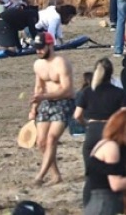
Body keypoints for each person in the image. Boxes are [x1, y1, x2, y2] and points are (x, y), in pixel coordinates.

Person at [75, 60, 126, 202]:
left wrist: (86, 125)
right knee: (114, 172)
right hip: (110, 131)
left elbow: (77, 115)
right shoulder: (119, 93)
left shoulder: (87, 91)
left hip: (92, 131)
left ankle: (89, 206)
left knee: (91, 175)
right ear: (111, 74)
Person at [28, 32, 75, 185]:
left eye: (41, 48)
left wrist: (43, 97)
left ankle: (39, 176)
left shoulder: (61, 63)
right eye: (37, 48)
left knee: (51, 138)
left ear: (50, 45)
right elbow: (39, 88)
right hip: (47, 102)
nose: (38, 51)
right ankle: (56, 175)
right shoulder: (38, 64)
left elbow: (67, 89)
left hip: (64, 102)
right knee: (41, 142)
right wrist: (33, 108)